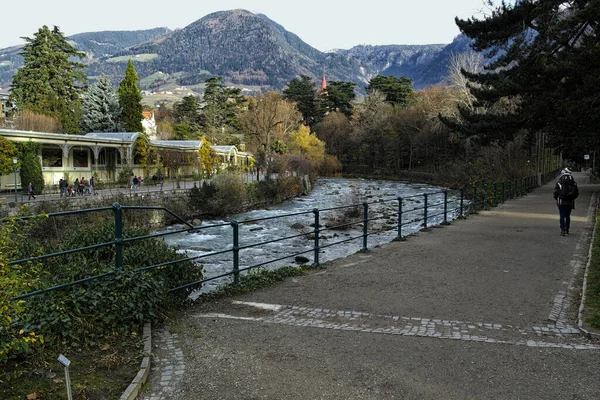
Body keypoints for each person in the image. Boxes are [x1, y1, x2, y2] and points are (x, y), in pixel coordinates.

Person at [553, 168, 579, 236]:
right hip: (570, 201)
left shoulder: (559, 182)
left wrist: (556, 198)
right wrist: (572, 198)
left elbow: (556, 193)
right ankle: (567, 229)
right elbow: (576, 193)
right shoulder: (573, 182)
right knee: (568, 216)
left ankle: (562, 230)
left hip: (561, 201)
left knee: (562, 215)